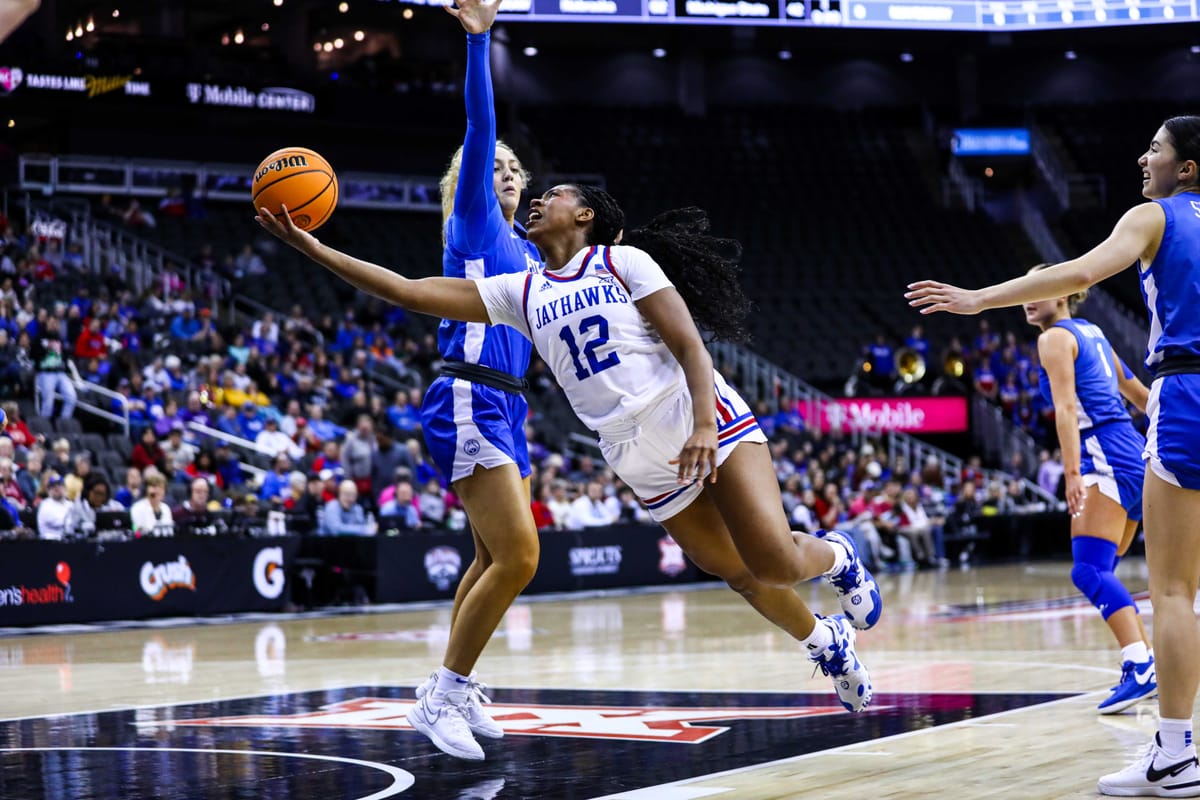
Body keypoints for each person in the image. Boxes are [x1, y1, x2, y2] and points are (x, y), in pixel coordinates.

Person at [258, 165, 884, 754]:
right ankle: (826, 643)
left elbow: (691, 346)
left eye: (552, 194)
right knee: (740, 574)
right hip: (635, 454)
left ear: (583, 214)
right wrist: (312, 248)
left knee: (774, 560)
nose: (537, 199)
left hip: (695, 415)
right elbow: (411, 292)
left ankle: (840, 558)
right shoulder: (522, 290)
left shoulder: (622, 261)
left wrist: (699, 424)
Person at [907, 115, 1200, 796]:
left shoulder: (1155, 216)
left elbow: (1080, 269)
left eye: (1154, 147)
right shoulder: (1094, 331)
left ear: (1186, 167)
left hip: (1186, 389)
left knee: (1178, 591)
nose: (1141, 155)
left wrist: (979, 298)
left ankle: (1178, 753)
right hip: (1162, 406)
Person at [1024, 266, 1157, 714]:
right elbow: (1137, 391)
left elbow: (1065, 409)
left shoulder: (1054, 338)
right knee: (1105, 568)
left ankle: (1139, 664)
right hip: (1131, 450)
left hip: (1101, 449)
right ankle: (1143, 662)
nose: (1026, 296)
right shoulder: (1092, 331)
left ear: (1062, 295)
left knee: (1089, 572)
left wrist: (1072, 472)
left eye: (1036, 288)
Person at [130, 472, 175, 537]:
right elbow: (136, 532)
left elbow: (170, 531)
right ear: (146, 489)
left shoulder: (166, 508)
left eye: (161, 488)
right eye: (154, 487)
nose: (157, 490)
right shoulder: (137, 507)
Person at [36, 475, 71, 540]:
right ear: (48, 490)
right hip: (49, 543)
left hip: (67, 541)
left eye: (59, 485)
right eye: (53, 486)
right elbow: (60, 522)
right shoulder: (45, 505)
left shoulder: (70, 504)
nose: (56, 487)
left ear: (65, 488)